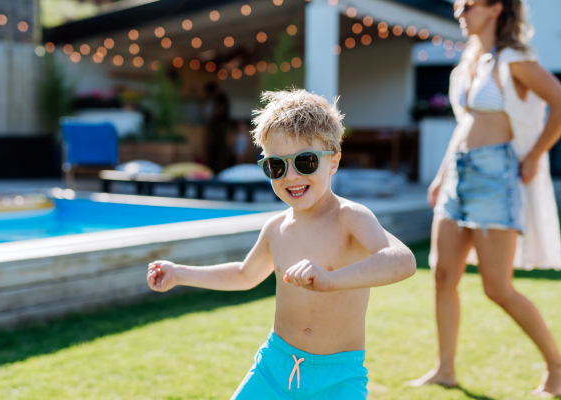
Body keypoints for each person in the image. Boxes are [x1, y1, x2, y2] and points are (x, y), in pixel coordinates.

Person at [147, 89, 416, 399]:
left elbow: (402, 261)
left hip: (338, 377)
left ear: (334, 161)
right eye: (276, 166)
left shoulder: (350, 218)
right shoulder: (276, 228)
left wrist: (330, 280)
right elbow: (244, 275)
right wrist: (179, 273)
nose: (290, 176)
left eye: (305, 161)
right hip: (273, 368)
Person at [409, 0, 561, 396]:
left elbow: (559, 101)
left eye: (469, 5)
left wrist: (534, 154)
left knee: (497, 287)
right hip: (459, 173)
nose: (460, 11)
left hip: (497, 176)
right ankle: (445, 370)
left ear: (496, 8)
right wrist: (442, 175)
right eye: (458, 5)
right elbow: (466, 125)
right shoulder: (469, 62)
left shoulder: (515, 59)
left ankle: (557, 365)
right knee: (443, 275)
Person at [201, 82, 230, 172]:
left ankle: (220, 171)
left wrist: (209, 116)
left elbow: (220, 111)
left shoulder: (221, 97)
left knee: (220, 149)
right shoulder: (218, 98)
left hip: (220, 126)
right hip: (217, 126)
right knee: (213, 148)